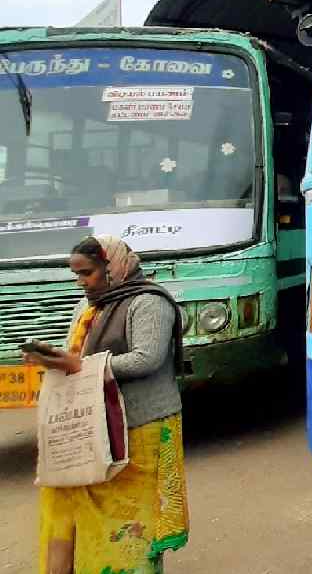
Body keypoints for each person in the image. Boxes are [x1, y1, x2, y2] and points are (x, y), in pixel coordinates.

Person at [23, 234, 188, 573]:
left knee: (132, 517)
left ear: (112, 266)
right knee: (84, 512)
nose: (81, 282)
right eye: (77, 275)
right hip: (94, 426)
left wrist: (82, 367)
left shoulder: (149, 301)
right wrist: (54, 359)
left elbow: (148, 359)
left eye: (88, 273)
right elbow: (77, 355)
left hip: (144, 428)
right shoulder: (88, 307)